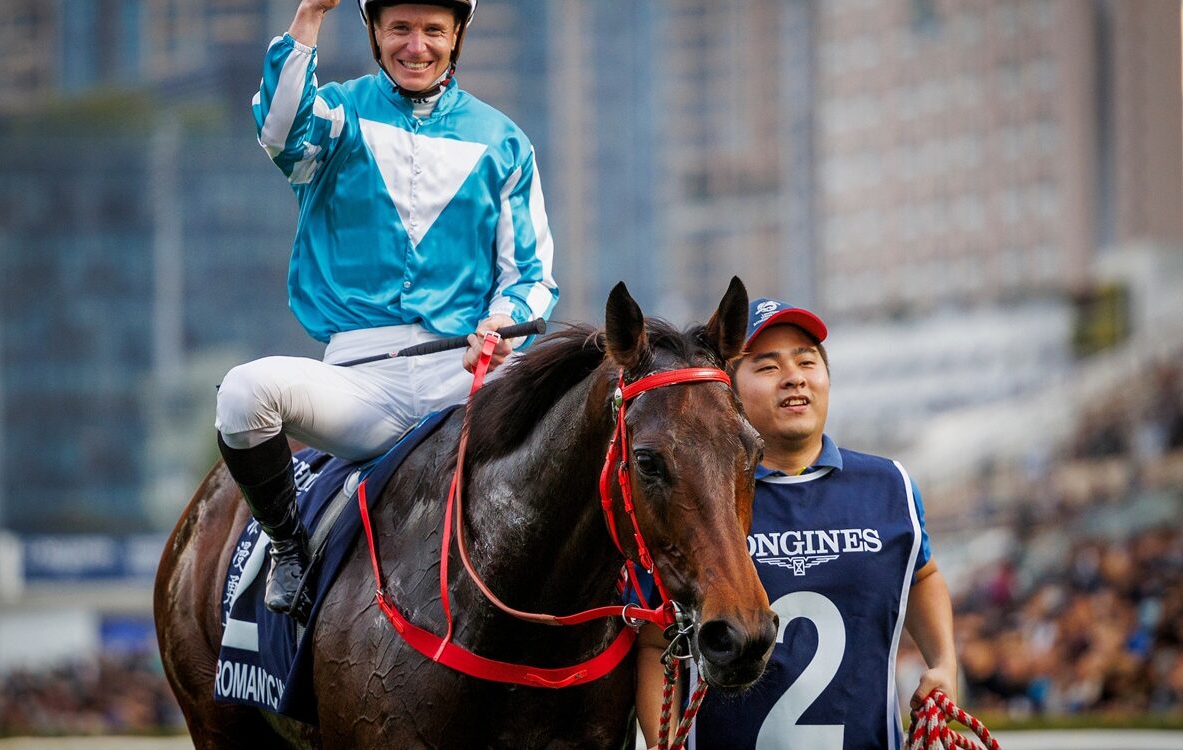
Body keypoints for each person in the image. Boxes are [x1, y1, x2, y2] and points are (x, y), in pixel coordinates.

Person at [215, 0, 557, 621]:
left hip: (466, 379)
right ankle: (288, 546)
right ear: (374, 33)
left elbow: (531, 277)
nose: (416, 46)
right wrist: (310, 16)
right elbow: (280, 134)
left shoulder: (506, 141)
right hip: (362, 382)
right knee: (242, 395)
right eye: (399, 28)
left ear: (457, 37)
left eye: (433, 31)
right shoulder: (338, 114)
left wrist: (501, 324)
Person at [635, 297, 956, 749]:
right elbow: (655, 644)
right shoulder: (698, 502)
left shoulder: (889, 486)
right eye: (767, 367)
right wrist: (662, 744)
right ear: (728, 390)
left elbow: (922, 573)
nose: (794, 377)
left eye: (807, 361)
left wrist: (943, 662)